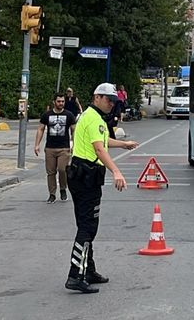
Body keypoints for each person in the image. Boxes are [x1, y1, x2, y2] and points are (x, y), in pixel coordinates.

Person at [64, 83, 138, 293]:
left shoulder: (90, 116)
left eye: (114, 101)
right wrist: (116, 171)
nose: (111, 104)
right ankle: (75, 275)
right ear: (96, 97)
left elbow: (102, 142)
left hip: (81, 176)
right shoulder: (94, 118)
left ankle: (88, 270)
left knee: (86, 225)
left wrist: (123, 144)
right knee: (88, 227)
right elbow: (99, 149)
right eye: (108, 100)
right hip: (86, 177)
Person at [34, 93, 76, 204]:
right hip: (50, 148)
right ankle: (52, 194)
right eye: (59, 101)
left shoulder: (69, 115)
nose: (61, 103)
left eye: (62, 101)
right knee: (50, 172)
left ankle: (63, 189)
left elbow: (74, 130)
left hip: (64, 148)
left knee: (62, 169)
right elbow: (40, 129)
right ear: (54, 102)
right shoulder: (47, 115)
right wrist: (37, 144)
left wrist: (74, 143)